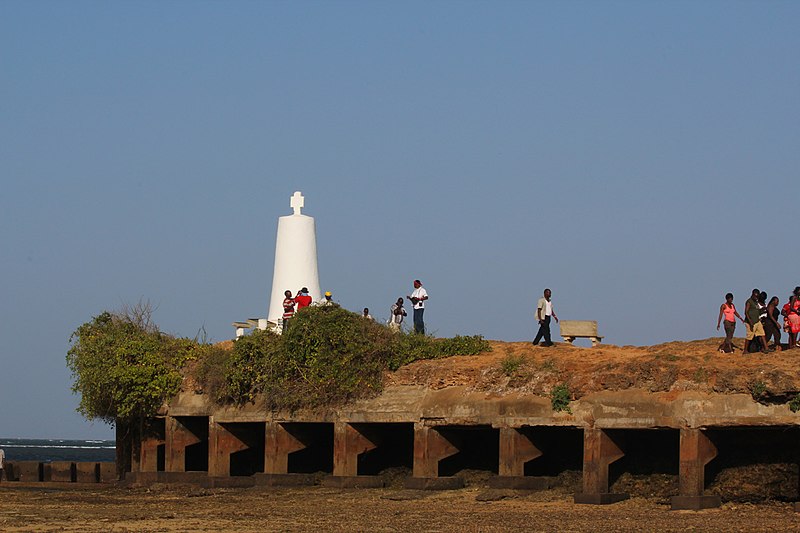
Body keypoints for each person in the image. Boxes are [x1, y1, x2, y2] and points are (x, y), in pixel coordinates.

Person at [743, 288, 769, 354]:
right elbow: (746, 312)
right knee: (749, 336)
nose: (756, 298)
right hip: (751, 322)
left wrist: (763, 310)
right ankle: (745, 350)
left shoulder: (756, 302)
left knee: (762, 334)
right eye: (756, 296)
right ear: (753, 294)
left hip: (757, 321)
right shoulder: (749, 302)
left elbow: (757, 311)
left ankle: (766, 348)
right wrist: (750, 322)